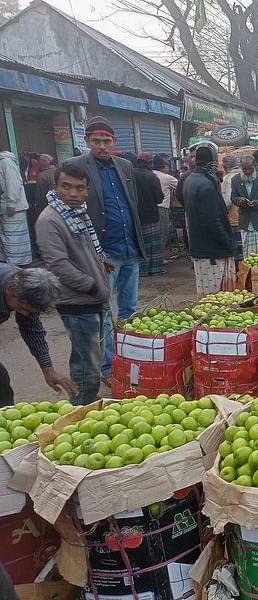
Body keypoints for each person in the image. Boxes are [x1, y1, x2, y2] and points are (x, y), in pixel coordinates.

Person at [65, 115, 145, 386]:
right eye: (96, 141)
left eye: (106, 141)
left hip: (129, 246)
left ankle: (129, 357)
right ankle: (107, 366)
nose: (101, 145)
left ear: (114, 141)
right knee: (103, 311)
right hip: (102, 251)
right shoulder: (76, 167)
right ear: (87, 141)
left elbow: (130, 203)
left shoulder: (124, 165)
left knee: (129, 309)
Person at [35, 164, 111, 404]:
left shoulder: (77, 214)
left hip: (91, 299)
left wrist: (100, 266)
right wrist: (92, 285)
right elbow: (58, 264)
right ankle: (81, 406)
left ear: (87, 191)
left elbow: (84, 253)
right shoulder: (50, 220)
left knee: (93, 357)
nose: (73, 193)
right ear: (55, 187)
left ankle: (88, 398)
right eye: (66, 187)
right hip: (77, 301)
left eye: (80, 188)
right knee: (85, 360)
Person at [0, 264, 78, 406]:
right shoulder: (16, 285)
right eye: (23, 308)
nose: (24, 314)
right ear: (10, 289)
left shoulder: (21, 284)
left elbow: (31, 328)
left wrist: (48, 369)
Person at [182, 143, 237, 297]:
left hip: (200, 246)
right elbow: (212, 221)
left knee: (206, 295)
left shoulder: (191, 179)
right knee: (216, 299)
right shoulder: (205, 185)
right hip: (212, 252)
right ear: (212, 163)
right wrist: (227, 242)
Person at [132, 153, 166, 277]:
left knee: (139, 243)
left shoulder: (130, 174)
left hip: (134, 215)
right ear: (149, 163)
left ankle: (141, 269)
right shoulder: (151, 177)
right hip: (150, 215)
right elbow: (159, 198)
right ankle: (154, 269)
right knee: (152, 244)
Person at [231, 156, 258, 256]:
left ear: (255, 166)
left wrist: (256, 203)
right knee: (247, 254)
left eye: (250, 169)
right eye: (245, 169)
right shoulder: (235, 180)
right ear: (241, 167)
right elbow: (233, 198)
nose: (248, 171)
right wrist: (241, 201)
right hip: (245, 221)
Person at [0, 149, 32, 265]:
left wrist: (11, 203)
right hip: (5, 208)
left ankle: (18, 265)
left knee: (14, 239)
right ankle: (12, 264)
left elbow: (14, 183)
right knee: (7, 239)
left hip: (14, 208)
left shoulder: (6, 162)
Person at [152, 155, 178, 262]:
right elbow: (182, 186)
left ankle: (154, 258)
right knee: (162, 234)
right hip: (162, 209)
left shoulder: (151, 174)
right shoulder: (167, 178)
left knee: (153, 235)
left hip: (150, 209)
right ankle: (159, 260)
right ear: (164, 166)